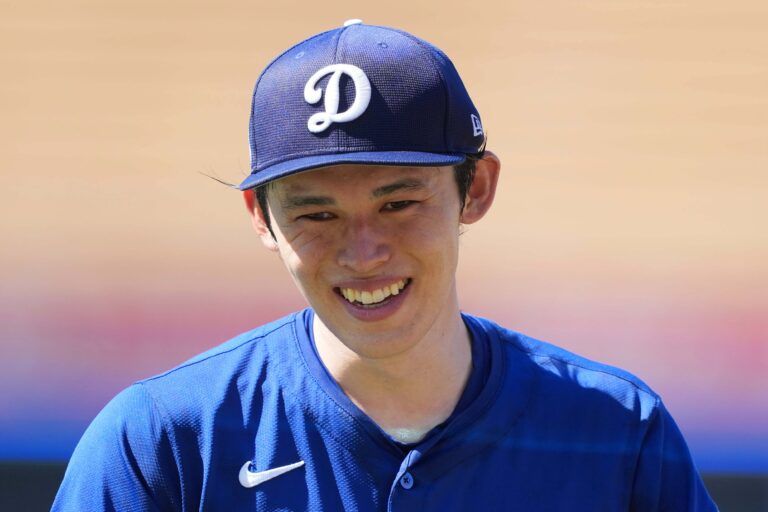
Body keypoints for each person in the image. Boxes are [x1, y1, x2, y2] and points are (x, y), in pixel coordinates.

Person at [52, 20, 718, 511]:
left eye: (398, 203)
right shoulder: (165, 439)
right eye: (317, 215)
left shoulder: (616, 432)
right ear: (261, 217)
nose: (363, 252)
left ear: (476, 190)